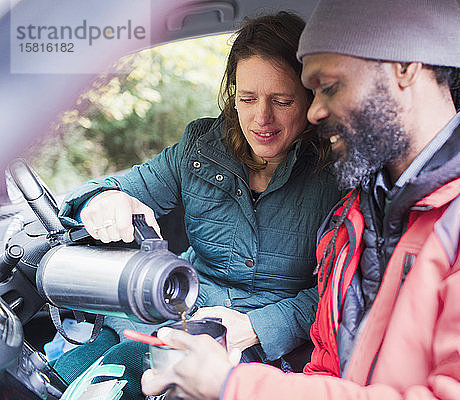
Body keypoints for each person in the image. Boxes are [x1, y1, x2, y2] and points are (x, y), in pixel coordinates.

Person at [140, 0, 460, 399]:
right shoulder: (357, 214)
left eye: (330, 86)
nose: (315, 111)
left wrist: (234, 387)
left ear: (405, 67)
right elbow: (327, 370)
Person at [54, 11, 342, 398]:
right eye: (247, 98)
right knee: (65, 372)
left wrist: (256, 327)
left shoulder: (338, 171)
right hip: (178, 317)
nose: (262, 118)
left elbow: (339, 292)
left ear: (309, 98)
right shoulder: (200, 148)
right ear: (232, 96)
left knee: (127, 369)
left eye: (283, 100)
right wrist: (104, 200)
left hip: (272, 350)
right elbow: (97, 191)